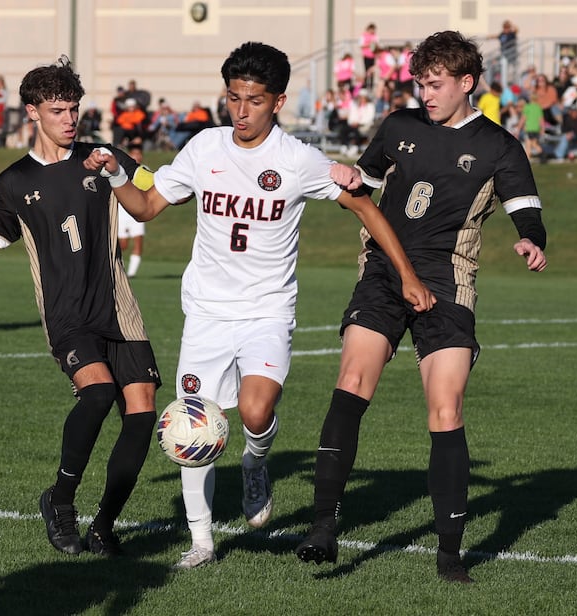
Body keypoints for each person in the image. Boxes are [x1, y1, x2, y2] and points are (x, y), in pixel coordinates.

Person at [84, 41, 434, 571]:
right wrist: (115, 174)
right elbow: (148, 205)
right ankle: (202, 541)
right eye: (233, 98)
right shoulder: (204, 149)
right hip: (205, 313)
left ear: (278, 101)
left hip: (268, 311)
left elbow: (365, 206)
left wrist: (407, 274)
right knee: (192, 425)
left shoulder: (297, 160)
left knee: (255, 410)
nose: (241, 111)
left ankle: (255, 463)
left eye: (253, 100)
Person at [295, 30, 547, 584]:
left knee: (446, 407)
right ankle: (322, 528)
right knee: (354, 377)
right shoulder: (399, 126)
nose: (426, 93)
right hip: (384, 271)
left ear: (467, 83)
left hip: (448, 280)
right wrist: (347, 176)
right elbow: (365, 180)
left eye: (436, 84)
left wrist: (531, 238)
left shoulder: (499, 145)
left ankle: (449, 555)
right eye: (420, 83)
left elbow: (524, 205)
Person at [0, 55, 162, 558]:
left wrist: (116, 171)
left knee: (140, 416)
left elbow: (153, 199)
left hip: (120, 310)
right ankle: (61, 501)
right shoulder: (13, 181)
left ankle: (104, 528)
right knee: (96, 396)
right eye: (57, 110)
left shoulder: (102, 156)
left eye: (74, 108)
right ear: (32, 112)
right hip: (68, 317)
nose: (70, 119)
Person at [118, 138, 152, 277]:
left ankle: (131, 274)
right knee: (123, 245)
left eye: (139, 154)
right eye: (134, 154)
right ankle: (114, 267)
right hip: (122, 212)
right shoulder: (121, 170)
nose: (137, 157)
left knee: (138, 243)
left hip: (138, 212)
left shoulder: (145, 171)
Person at [359, 23, 379, 90]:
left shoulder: (375, 36)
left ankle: (371, 86)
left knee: (372, 71)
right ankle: (366, 85)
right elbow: (361, 45)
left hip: (372, 56)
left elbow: (376, 44)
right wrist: (369, 44)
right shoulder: (363, 36)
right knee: (367, 70)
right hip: (366, 56)